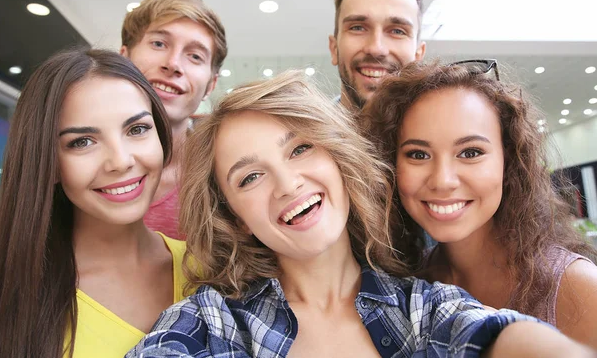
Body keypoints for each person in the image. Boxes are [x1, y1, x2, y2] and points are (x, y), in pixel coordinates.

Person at [127, 71, 592, 358]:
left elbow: (502, 337)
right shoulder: (210, 325)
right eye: (250, 177)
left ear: (341, 160)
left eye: (301, 149)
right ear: (234, 215)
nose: (288, 185)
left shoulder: (423, 308)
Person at [363, 59, 597, 349]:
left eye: (470, 152)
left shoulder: (577, 288)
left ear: (508, 159)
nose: (443, 181)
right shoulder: (408, 283)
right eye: (418, 155)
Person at [0, 49, 190, 358]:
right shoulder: (12, 291)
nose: (120, 161)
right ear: (48, 162)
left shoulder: (211, 271)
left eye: (137, 129)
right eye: (82, 142)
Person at [120, 0, 228, 239]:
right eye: (159, 43)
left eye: (195, 56)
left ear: (210, 85)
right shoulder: (72, 164)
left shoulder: (223, 181)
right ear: (123, 59)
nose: (173, 64)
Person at [329, 0, 426, 110]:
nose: (376, 49)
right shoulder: (298, 133)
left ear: (418, 55)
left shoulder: (445, 131)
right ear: (334, 48)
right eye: (358, 28)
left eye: (397, 31)